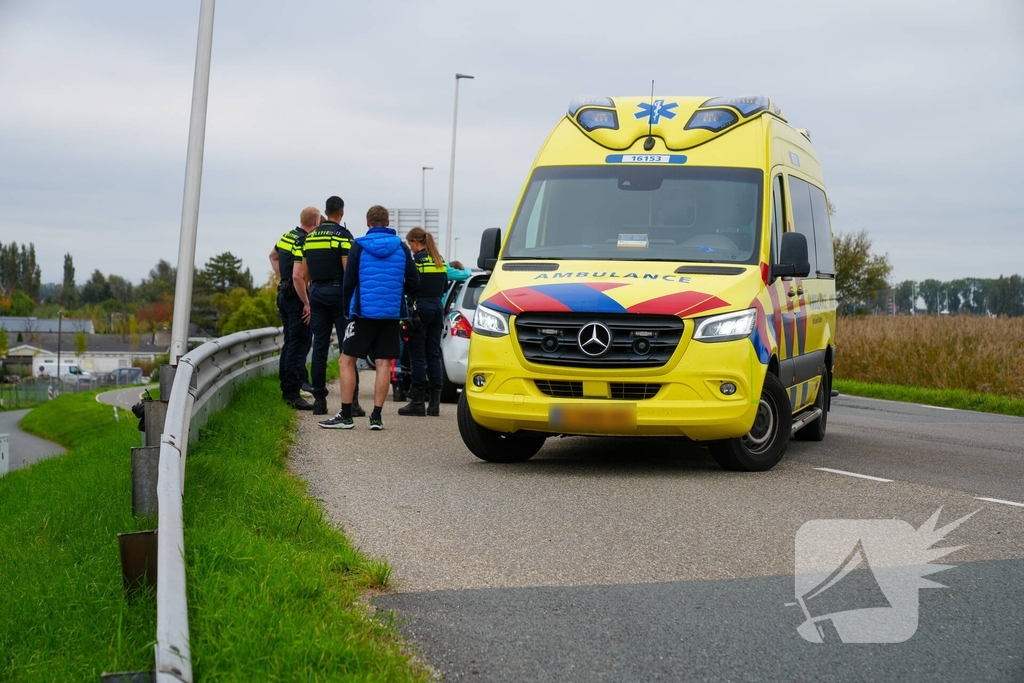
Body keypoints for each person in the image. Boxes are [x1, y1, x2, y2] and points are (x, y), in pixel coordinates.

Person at [319, 206, 418, 430]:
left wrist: (347, 311)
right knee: (383, 363)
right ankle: (376, 417)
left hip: (363, 314)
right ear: (388, 221)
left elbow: (349, 282)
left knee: (347, 360)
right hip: (391, 315)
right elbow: (414, 281)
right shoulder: (402, 248)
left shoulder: (359, 247)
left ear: (368, 222)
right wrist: (398, 293)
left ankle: (346, 415)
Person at [294, 196, 364, 417]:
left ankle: (319, 401)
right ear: (341, 213)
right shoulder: (344, 237)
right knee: (348, 347)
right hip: (339, 295)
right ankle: (352, 402)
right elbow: (349, 271)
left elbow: (303, 274)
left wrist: (309, 298)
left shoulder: (310, 238)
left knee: (320, 348)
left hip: (316, 293)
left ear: (325, 211)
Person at [398, 227, 470, 417]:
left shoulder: (416, 262)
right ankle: (434, 404)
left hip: (420, 310)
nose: (410, 248)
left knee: (418, 356)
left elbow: (408, 286)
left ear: (415, 242)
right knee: (433, 355)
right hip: (438, 309)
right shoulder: (440, 261)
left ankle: (418, 402)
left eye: (410, 244)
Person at [269, 207, 317, 409]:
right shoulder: (303, 241)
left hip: (284, 293)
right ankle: (292, 393)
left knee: (289, 344)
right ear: (315, 223)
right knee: (298, 346)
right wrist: (306, 302)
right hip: (296, 297)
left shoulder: (287, 236)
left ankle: (286, 388)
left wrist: (283, 276)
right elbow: (299, 276)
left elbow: (272, 256)